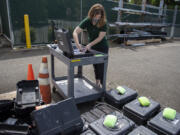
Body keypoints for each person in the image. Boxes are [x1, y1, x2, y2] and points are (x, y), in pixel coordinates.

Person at [73, 3, 109, 87]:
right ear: (91, 14)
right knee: (96, 66)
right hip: (93, 47)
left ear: (101, 15)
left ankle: (103, 89)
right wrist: (78, 44)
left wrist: (89, 44)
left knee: (102, 68)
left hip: (102, 47)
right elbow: (75, 32)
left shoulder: (103, 22)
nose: (96, 17)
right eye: (95, 15)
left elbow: (100, 38)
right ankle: (97, 84)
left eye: (98, 16)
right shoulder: (87, 20)